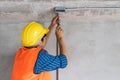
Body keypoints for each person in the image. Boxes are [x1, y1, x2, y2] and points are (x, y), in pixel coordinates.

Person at [12, 16, 69, 80]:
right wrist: (60, 38)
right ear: (41, 41)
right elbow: (64, 61)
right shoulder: (40, 58)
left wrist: (52, 25)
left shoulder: (20, 53)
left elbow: (40, 45)